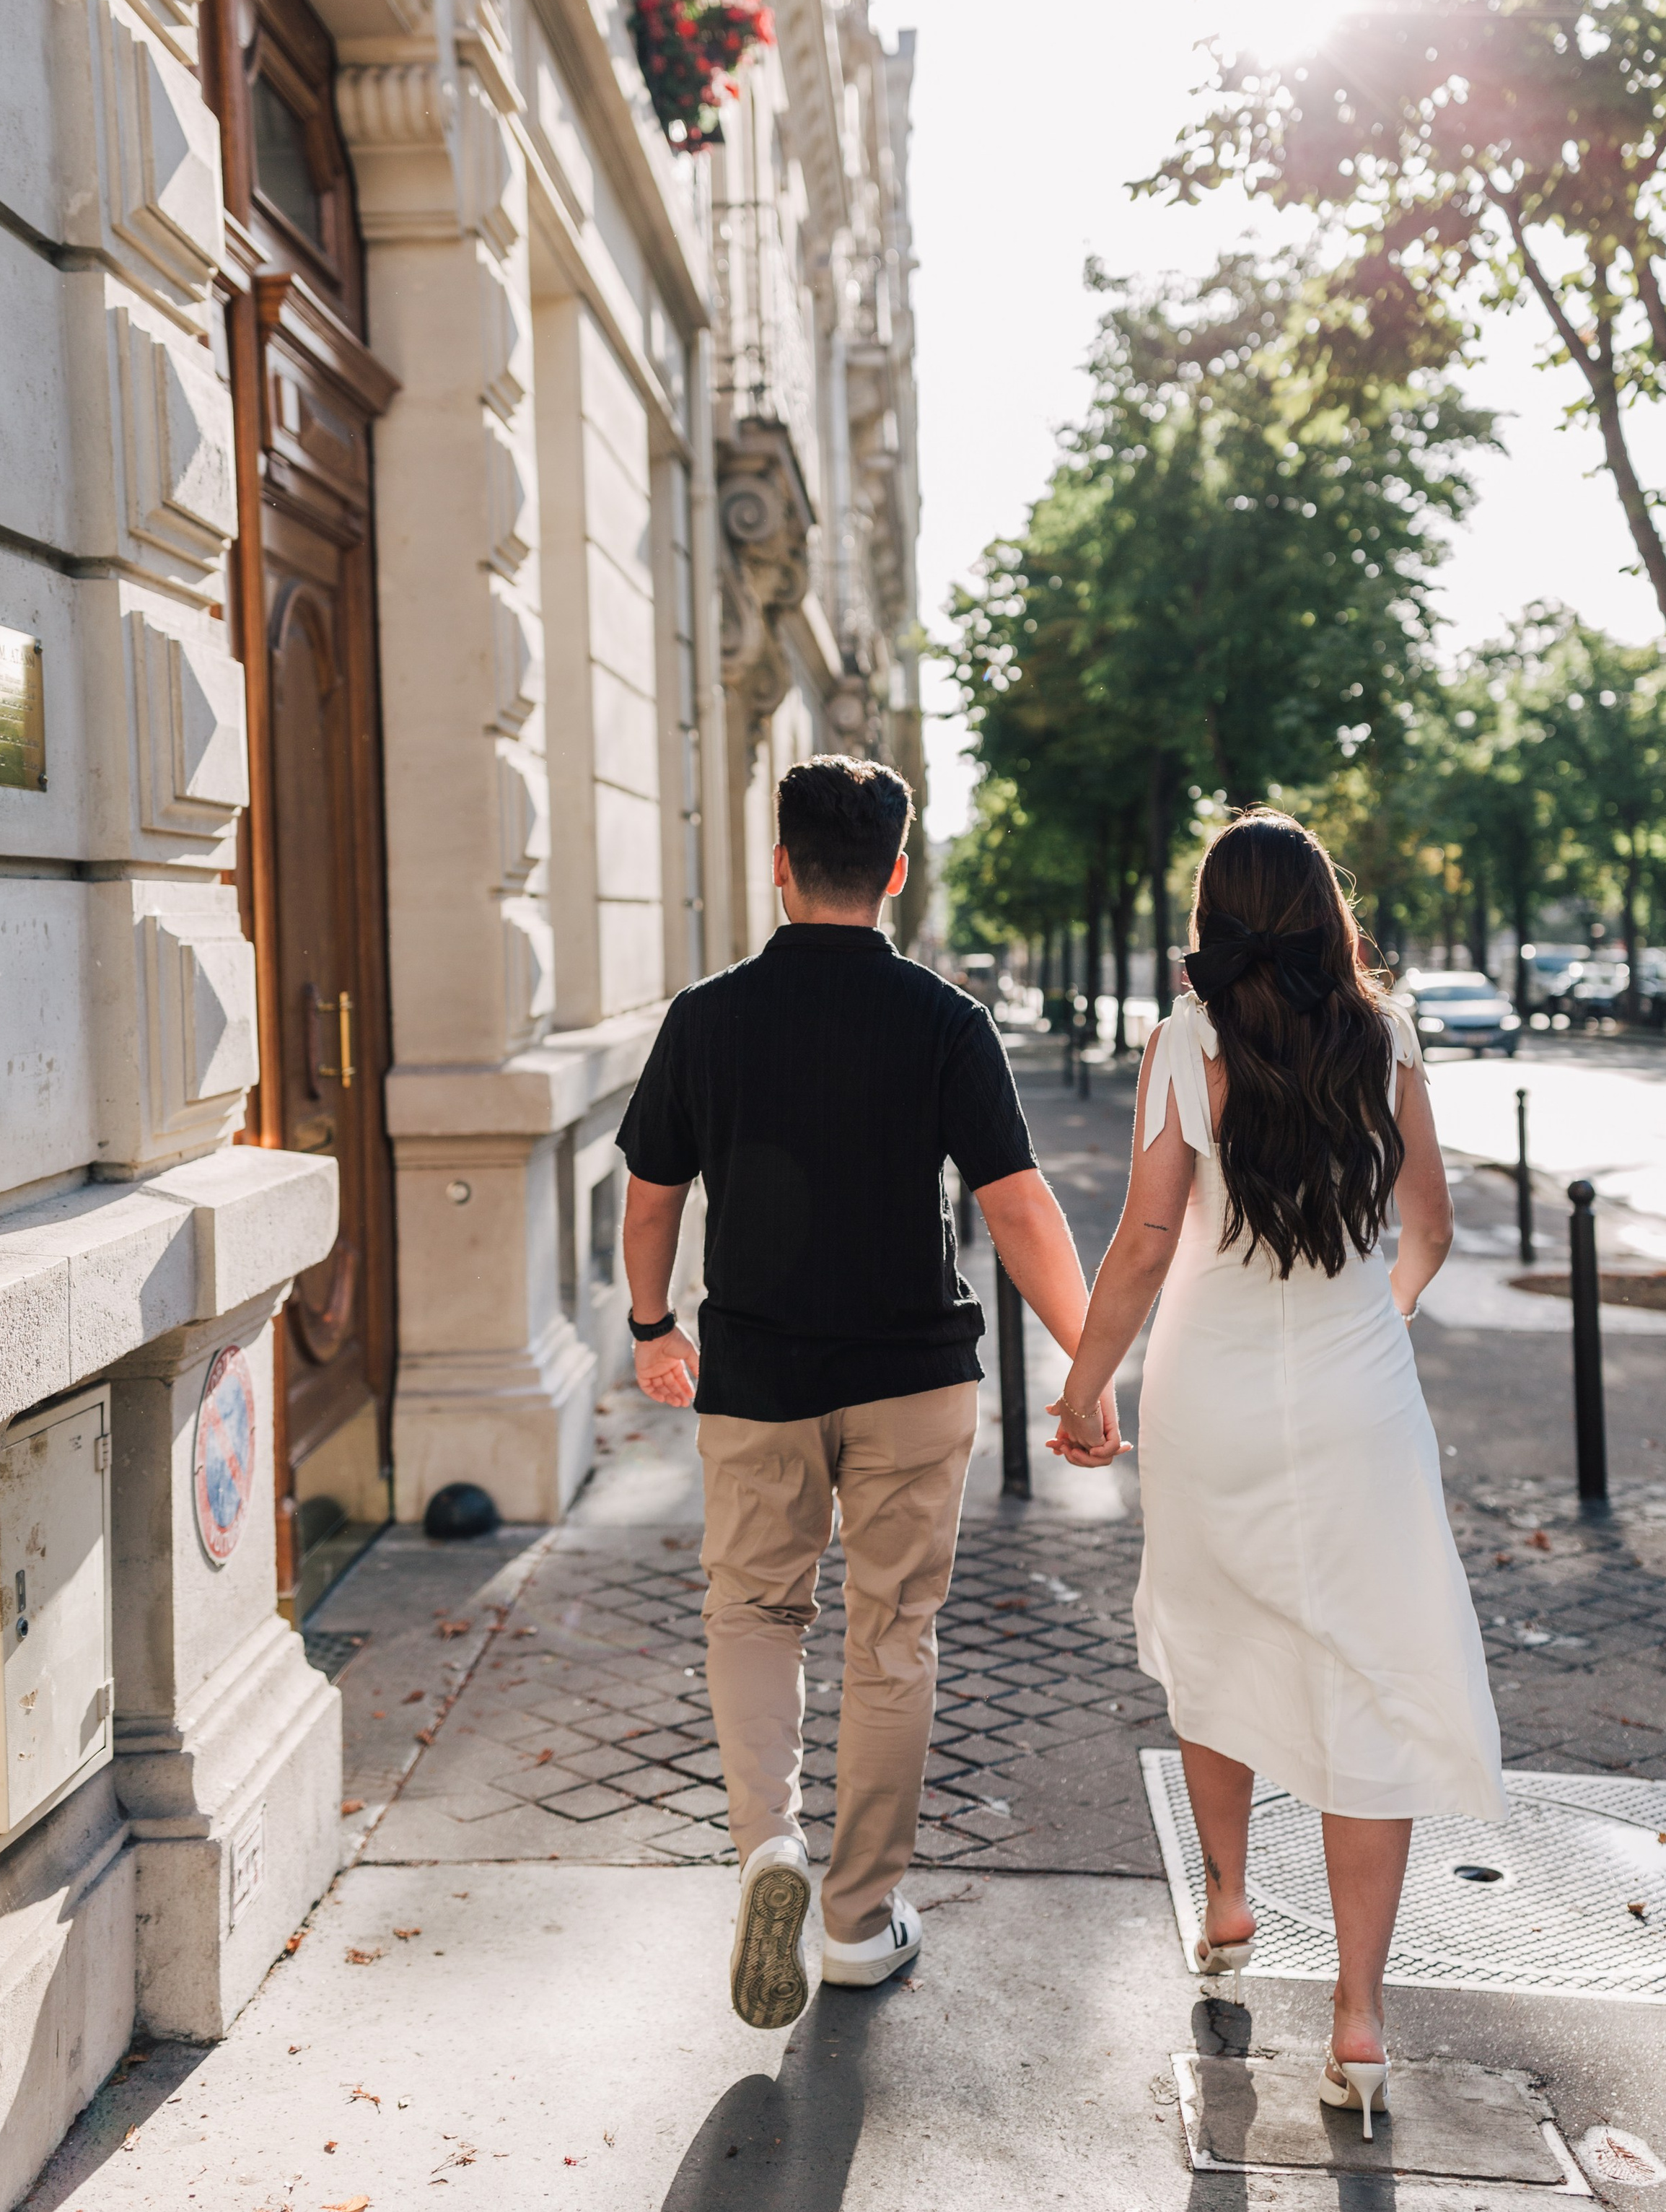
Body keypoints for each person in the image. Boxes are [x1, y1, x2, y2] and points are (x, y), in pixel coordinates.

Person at [615, 756, 1097, 2029]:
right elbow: (1018, 1207)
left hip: (759, 1377)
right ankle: (854, 1918)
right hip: (910, 1379)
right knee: (892, 1640)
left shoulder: (705, 1019)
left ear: (778, 866)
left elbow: (652, 1195)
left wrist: (653, 1327)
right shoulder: (943, 1021)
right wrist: (1091, 1367)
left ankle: (767, 1845)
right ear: (895, 871)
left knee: (754, 1616)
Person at [1048, 809, 1503, 2137]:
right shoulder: (1386, 1039)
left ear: (1210, 920)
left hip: (1214, 1395)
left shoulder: (1184, 1046)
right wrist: (1382, 1315)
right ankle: (1359, 2023)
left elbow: (1140, 1244)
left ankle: (1232, 1898)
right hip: (1361, 1401)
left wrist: (1085, 1392)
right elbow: (1431, 1227)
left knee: (1215, 1629)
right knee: (1371, 1665)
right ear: (1326, 915)